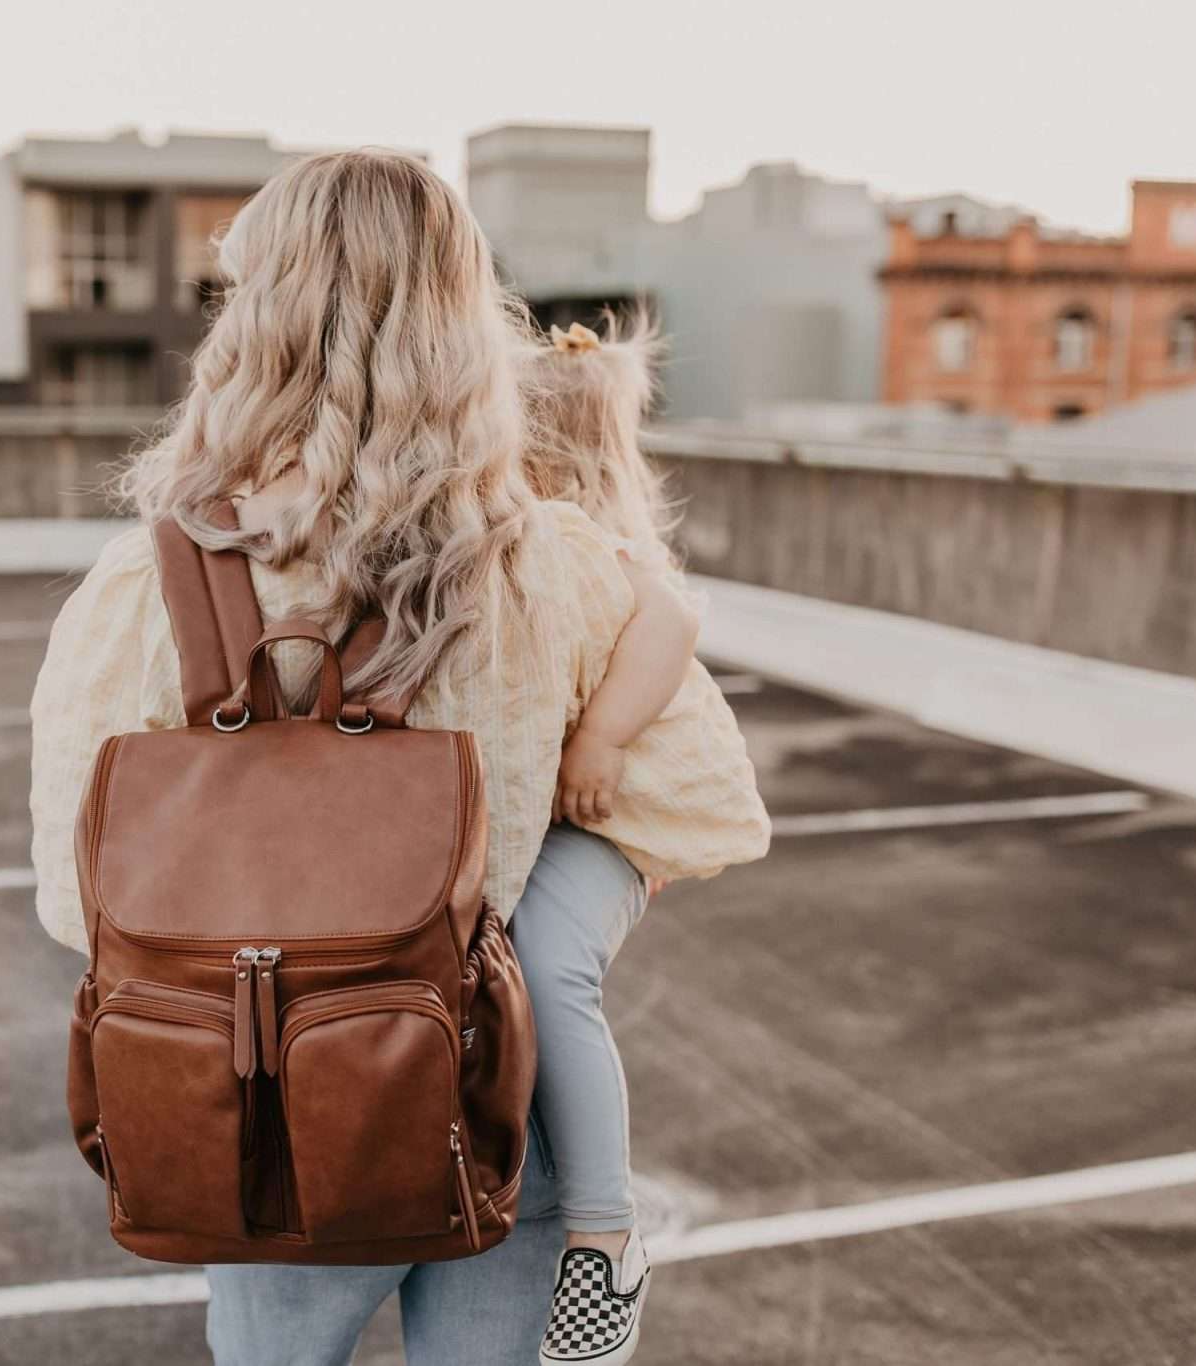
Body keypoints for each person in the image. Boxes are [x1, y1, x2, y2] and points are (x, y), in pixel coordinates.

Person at [27, 150, 766, 1366]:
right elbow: (695, 811)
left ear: (250, 322)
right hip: (479, 1103)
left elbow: (78, 904)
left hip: (260, 1127)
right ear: (461, 326)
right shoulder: (555, 569)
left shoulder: (139, 592)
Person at [513, 318, 771, 1363]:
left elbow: (671, 623)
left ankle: (603, 1233)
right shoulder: (528, 527)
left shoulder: (586, 533)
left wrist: (599, 736)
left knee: (543, 962)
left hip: (620, 808)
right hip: (576, 805)